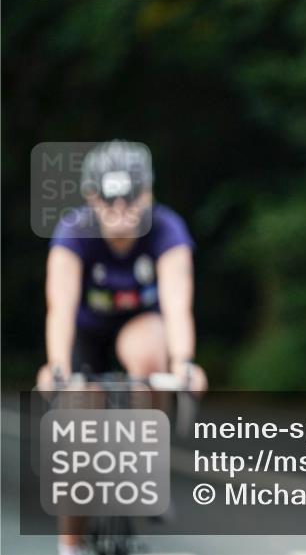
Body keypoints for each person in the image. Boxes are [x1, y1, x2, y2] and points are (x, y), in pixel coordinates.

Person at [36, 140, 207, 555]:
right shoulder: (74, 231)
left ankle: (146, 461)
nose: (121, 214)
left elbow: (177, 303)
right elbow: (59, 307)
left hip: (140, 325)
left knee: (151, 349)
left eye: (132, 201)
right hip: (85, 333)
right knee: (79, 419)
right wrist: (56, 367)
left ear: (148, 195)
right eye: (109, 202)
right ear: (92, 198)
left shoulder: (168, 229)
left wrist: (184, 362)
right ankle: (70, 543)